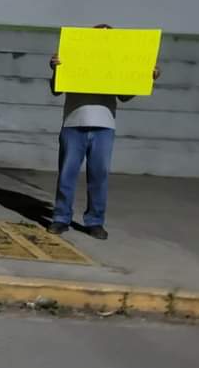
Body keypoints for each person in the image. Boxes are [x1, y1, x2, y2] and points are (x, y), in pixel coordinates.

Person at [47, 24, 160, 240]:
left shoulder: (116, 65)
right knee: (67, 175)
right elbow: (56, 89)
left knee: (99, 175)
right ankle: (61, 218)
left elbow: (124, 96)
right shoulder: (73, 58)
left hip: (104, 126)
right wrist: (56, 68)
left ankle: (95, 221)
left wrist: (146, 78)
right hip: (73, 123)